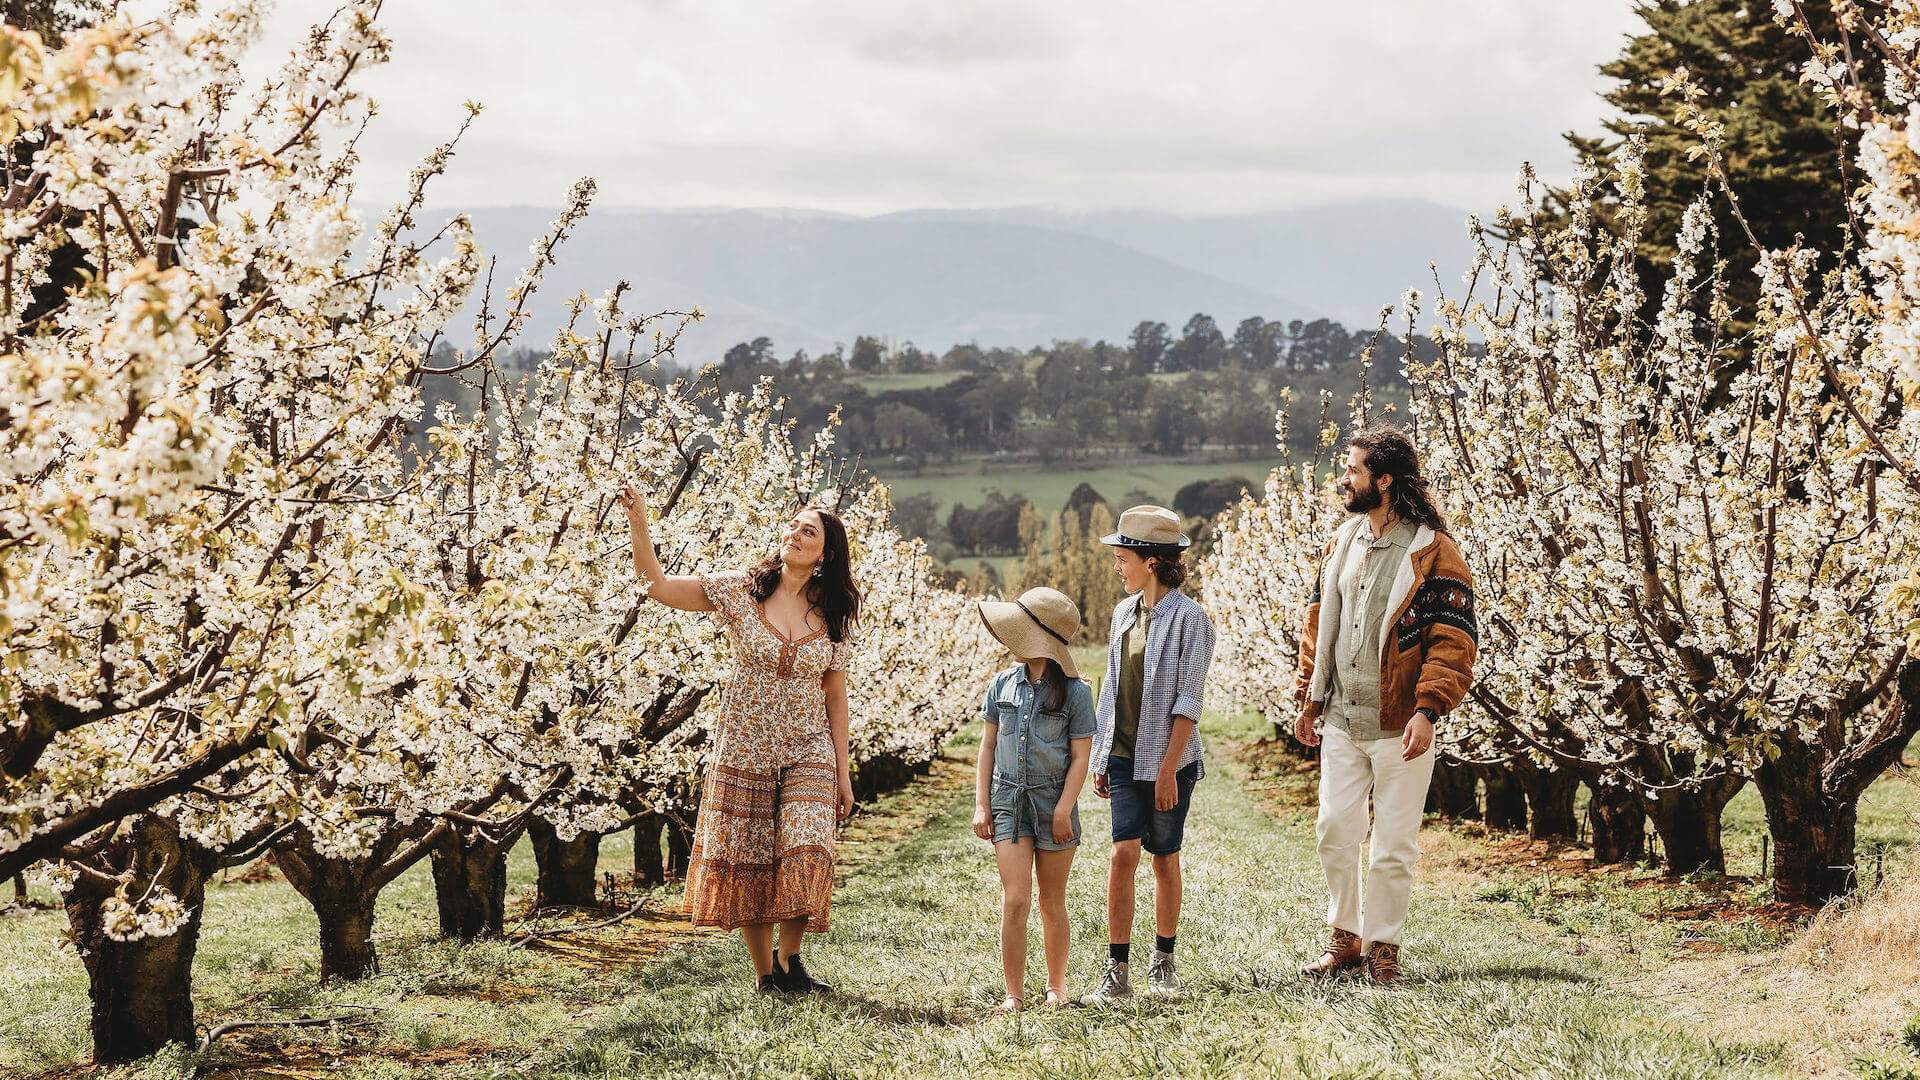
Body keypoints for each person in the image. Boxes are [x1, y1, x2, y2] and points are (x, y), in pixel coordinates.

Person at [618, 484, 858, 994]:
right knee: (751, 856)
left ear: (826, 553)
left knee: (808, 845)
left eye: (808, 531)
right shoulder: (740, 589)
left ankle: (791, 959)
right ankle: (766, 976)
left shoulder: (834, 614)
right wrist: (640, 521)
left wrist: (843, 769)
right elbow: (654, 583)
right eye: (792, 525)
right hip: (745, 747)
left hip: (809, 748)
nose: (794, 534)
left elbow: (835, 695)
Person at [1293, 425, 1477, 986]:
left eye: (1353, 471)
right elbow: (1319, 623)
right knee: (1333, 830)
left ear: (1386, 481)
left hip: (1402, 725)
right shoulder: (1343, 541)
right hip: (1343, 720)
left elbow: (1453, 638)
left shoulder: (1433, 552)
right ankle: (1345, 937)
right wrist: (1309, 695)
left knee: (1393, 844)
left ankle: (1384, 947)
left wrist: (1428, 709)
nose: (1343, 480)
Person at [1082, 505, 1215, 1004]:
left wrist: (1166, 772)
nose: (1117, 568)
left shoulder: (1192, 620)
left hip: (1169, 760)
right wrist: (1100, 757)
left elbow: (1189, 703)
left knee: (1164, 858)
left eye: (1123, 559)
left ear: (1151, 560)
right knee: (1122, 853)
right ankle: (1116, 971)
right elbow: (1111, 688)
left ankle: (1164, 963)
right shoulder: (1122, 614)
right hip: (1120, 755)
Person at [972, 587, 1096, 1013]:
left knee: (1051, 899)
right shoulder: (1001, 685)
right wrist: (981, 802)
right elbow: (987, 747)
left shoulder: (1076, 693)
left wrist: (1063, 808)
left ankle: (1056, 986)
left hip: (1052, 802)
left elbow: (1081, 756)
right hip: (1008, 801)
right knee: (1016, 898)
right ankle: (1013, 993)